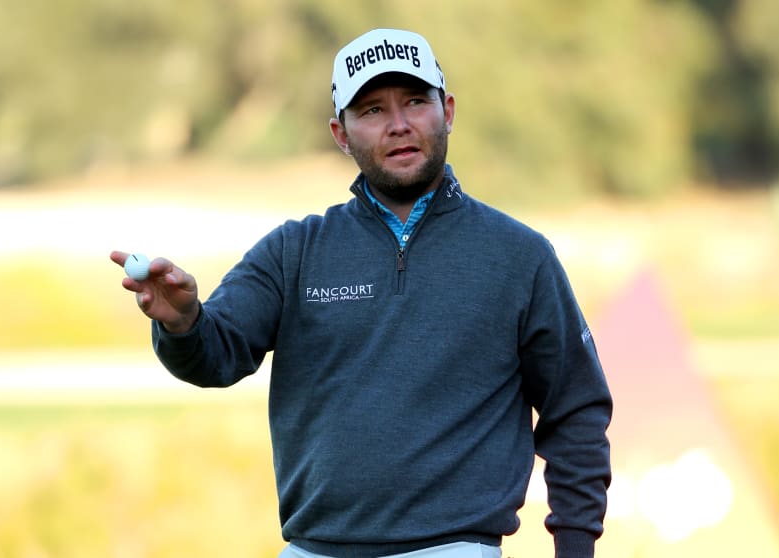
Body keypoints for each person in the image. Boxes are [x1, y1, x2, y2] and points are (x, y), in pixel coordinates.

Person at [111, 28, 611, 558]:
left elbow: (575, 412)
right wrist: (182, 322)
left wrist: (574, 549)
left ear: (448, 111)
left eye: (416, 102)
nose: (398, 125)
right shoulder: (294, 251)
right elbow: (216, 355)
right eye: (371, 110)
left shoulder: (519, 256)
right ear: (340, 133)